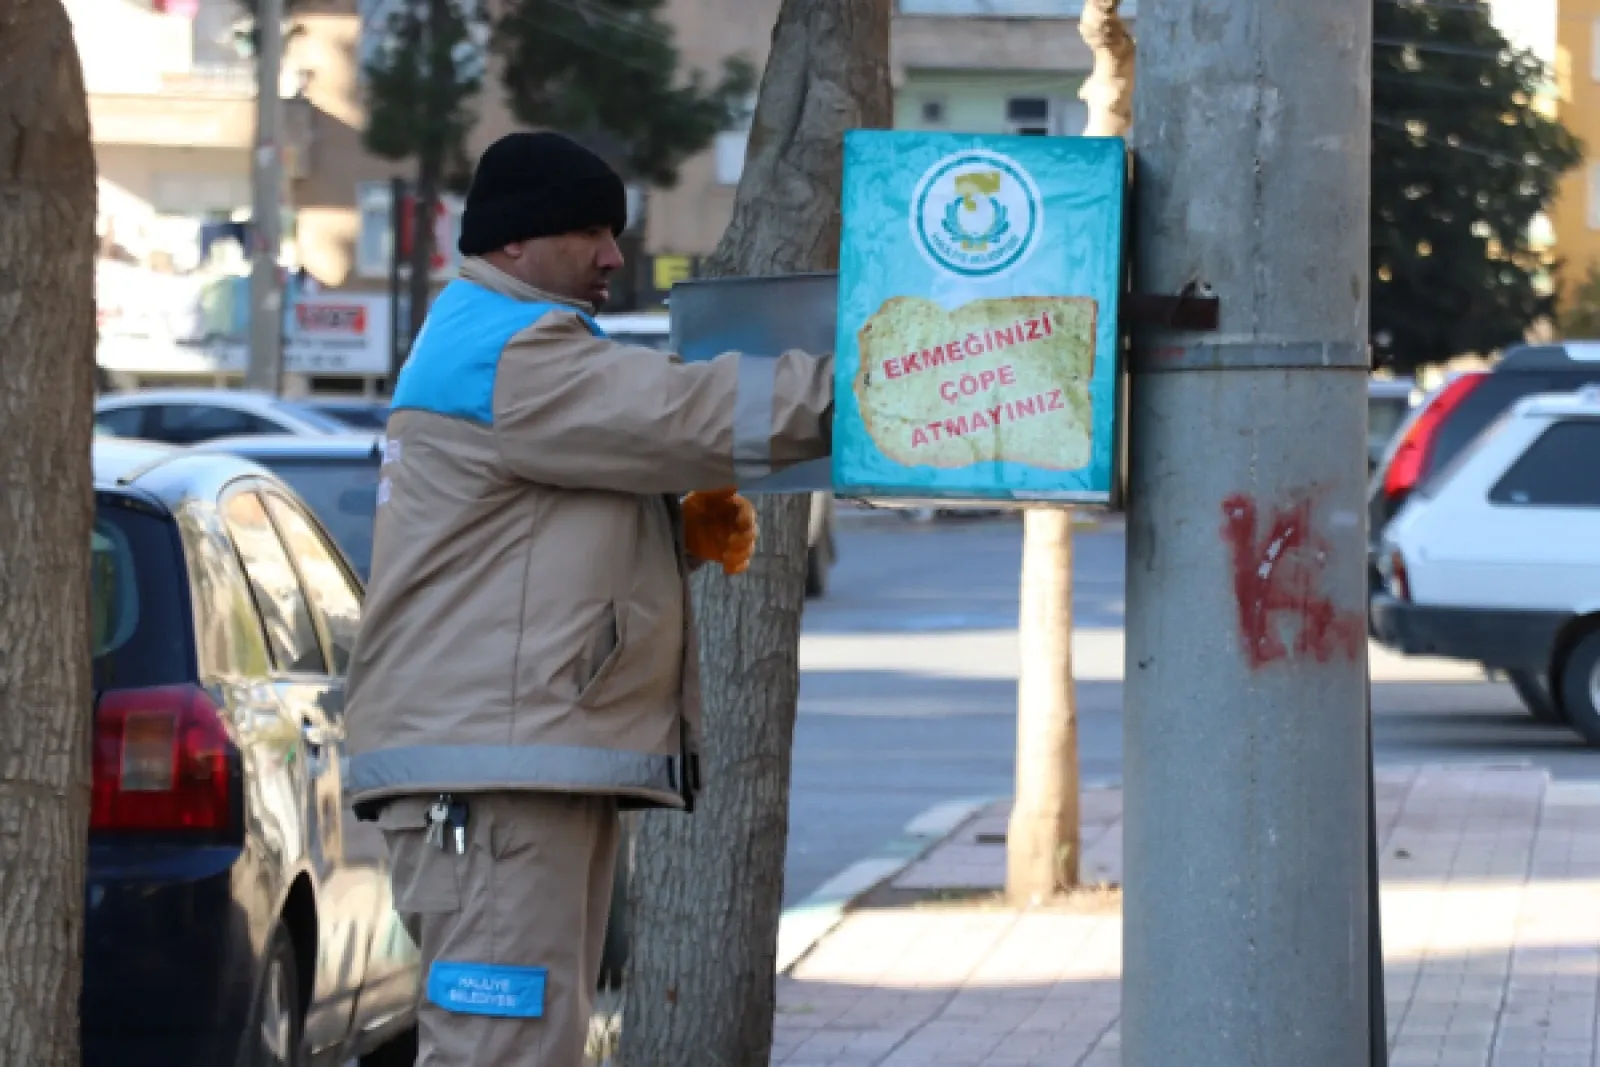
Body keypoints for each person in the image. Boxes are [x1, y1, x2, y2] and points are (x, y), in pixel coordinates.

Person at [343, 130, 834, 1066]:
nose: (614, 255)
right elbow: (695, 409)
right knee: (500, 1050)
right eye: (591, 232)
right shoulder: (516, 353)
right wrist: (878, 377)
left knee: (527, 1044)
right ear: (514, 240)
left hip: (504, 767)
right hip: (490, 780)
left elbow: (524, 552)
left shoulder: (490, 341)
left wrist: (671, 539)